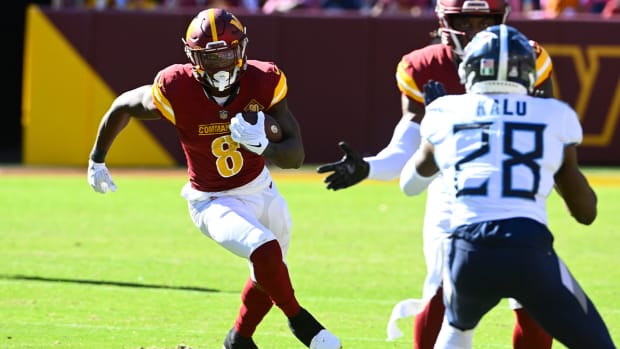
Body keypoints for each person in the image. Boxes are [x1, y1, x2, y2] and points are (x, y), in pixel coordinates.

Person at [86, 8, 342, 349]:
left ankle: (239, 339)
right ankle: (302, 323)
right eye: (210, 57)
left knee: (269, 271)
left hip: (261, 189)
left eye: (226, 54)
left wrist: (264, 144)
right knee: (263, 250)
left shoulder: (263, 81)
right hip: (212, 200)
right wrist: (97, 158)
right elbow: (123, 105)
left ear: (241, 51)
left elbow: (296, 157)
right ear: (194, 58)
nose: (220, 66)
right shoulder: (177, 87)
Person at [316, 0, 554, 348]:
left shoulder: (526, 56)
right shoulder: (423, 66)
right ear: (445, 22)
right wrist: (369, 166)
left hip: (512, 183)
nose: (475, 31)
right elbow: (408, 147)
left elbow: (542, 136)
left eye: (484, 21)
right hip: (452, 189)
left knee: (532, 296)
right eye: (466, 21)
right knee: (443, 286)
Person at [399, 24, 617, 349]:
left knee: (458, 328)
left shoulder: (445, 112)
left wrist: (445, 137)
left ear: (468, 70)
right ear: (529, 72)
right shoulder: (555, 114)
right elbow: (586, 212)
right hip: (529, 250)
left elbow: (410, 185)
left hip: (468, 251)